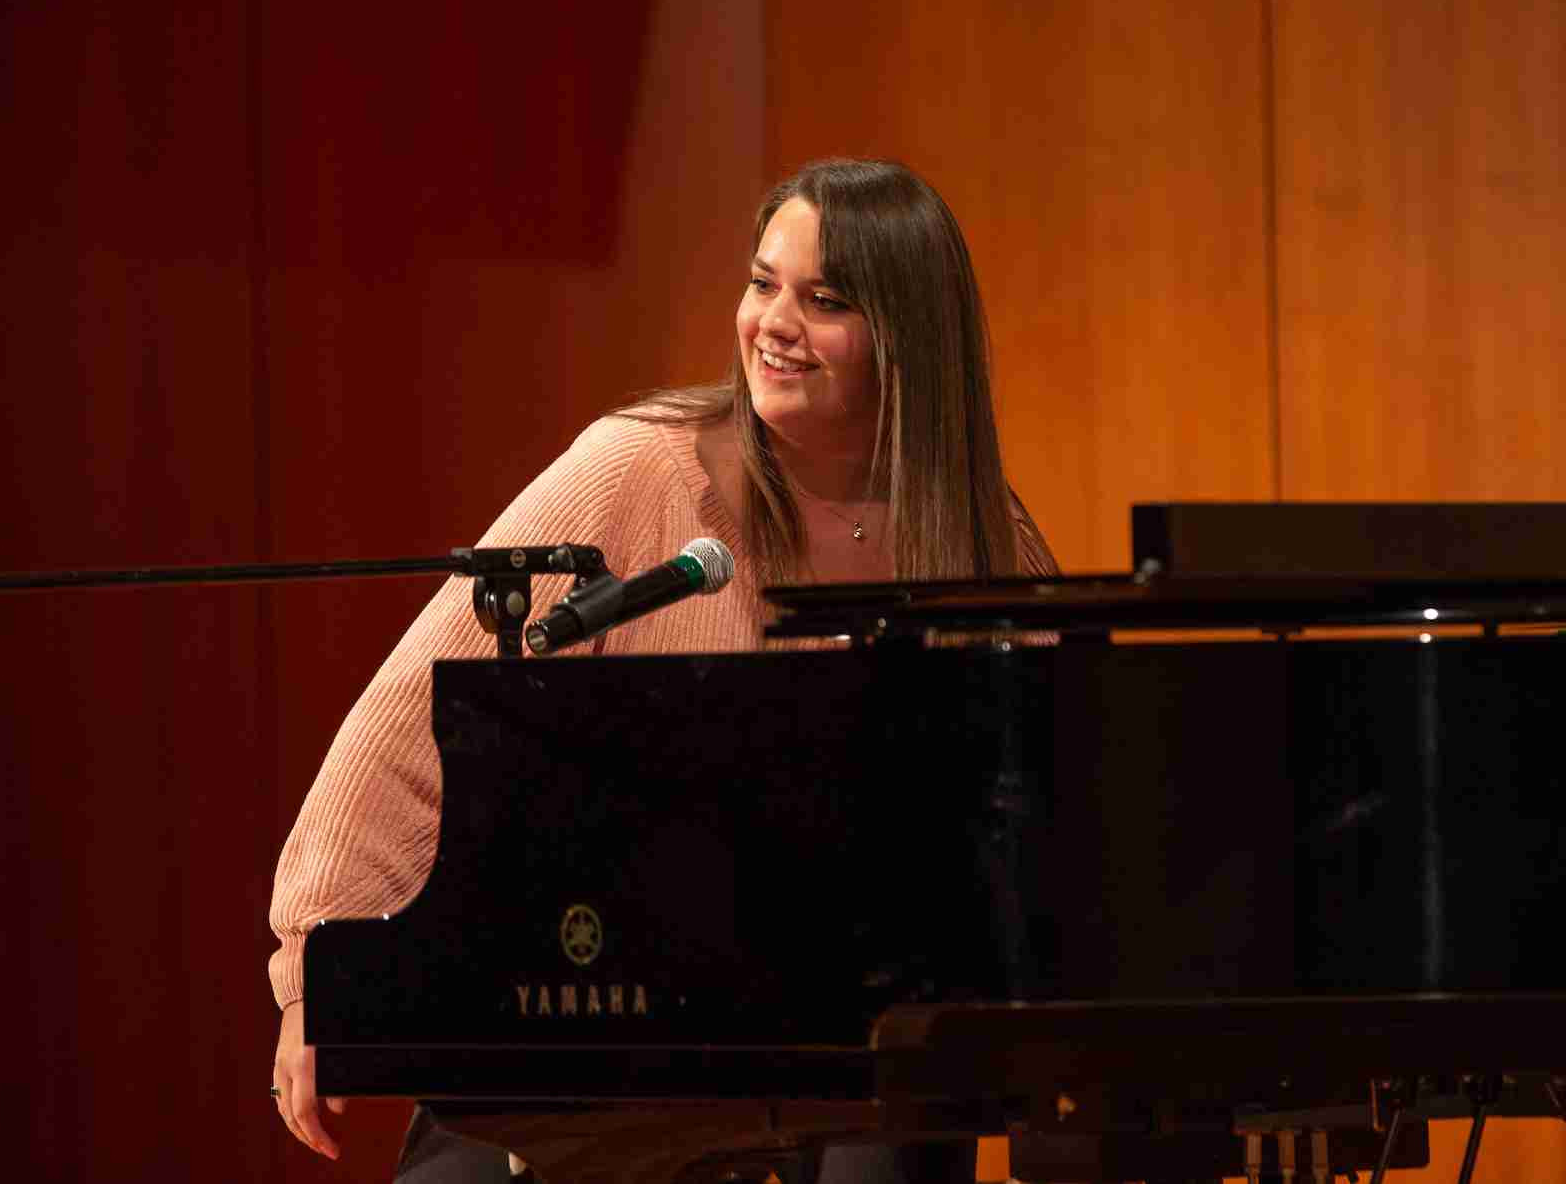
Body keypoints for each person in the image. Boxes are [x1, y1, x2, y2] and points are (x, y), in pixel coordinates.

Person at [268, 158, 1058, 1180]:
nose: (772, 321)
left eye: (821, 300)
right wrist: (316, 979)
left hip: (864, 1050)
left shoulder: (978, 534)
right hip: (603, 1024)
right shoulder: (638, 469)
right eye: (760, 281)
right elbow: (411, 721)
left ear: (907, 335)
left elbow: (1048, 815)